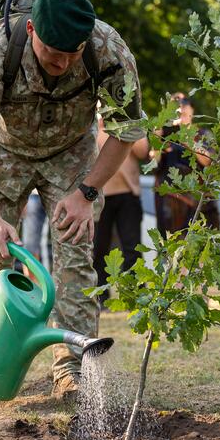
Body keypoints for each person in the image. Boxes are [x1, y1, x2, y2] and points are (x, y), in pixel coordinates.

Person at [0, 0, 143, 405]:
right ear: (32, 30)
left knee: (74, 253)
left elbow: (126, 131)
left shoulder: (109, 51)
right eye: (54, 55)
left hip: (71, 153)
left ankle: (72, 371)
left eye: (74, 55)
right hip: (2, 149)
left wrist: (86, 193)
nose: (64, 64)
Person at [92, 114, 149, 307]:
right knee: (99, 248)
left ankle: (136, 293)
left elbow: (143, 151)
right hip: (100, 197)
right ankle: (101, 295)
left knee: (132, 246)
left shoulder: (126, 123)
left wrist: (122, 125)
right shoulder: (92, 128)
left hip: (127, 194)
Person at [153, 93, 215, 236]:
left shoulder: (203, 134)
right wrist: (157, 142)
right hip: (171, 203)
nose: (180, 109)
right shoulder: (164, 134)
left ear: (192, 110)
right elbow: (154, 165)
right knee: (170, 248)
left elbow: (208, 161)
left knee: (201, 248)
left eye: (184, 104)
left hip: (199, 200)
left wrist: (188, 141)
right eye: (176, 106)